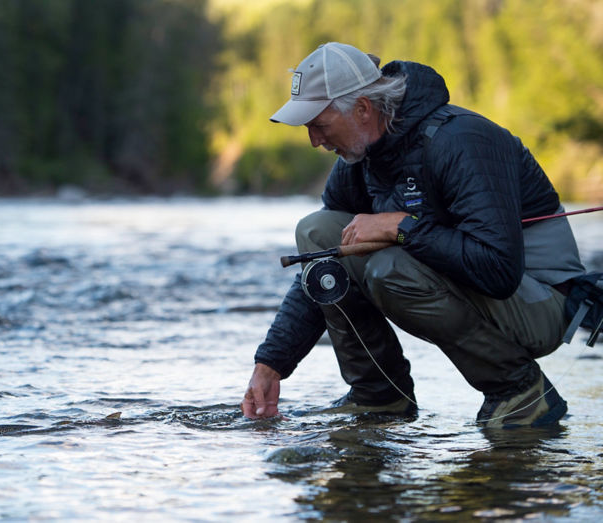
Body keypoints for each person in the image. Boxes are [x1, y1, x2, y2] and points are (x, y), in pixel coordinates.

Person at [240, 42, 586, 428]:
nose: (314, 140)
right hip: (492, 290)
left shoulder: (463, 140)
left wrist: (399, 227)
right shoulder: (360, 157)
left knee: (389, 269)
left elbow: (498, 270)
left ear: (362, 109)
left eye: (319, 125)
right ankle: (380, 396)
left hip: (542, 301)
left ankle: (519, 392)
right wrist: (271, 363)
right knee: (316, 232)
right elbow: (322, 268)